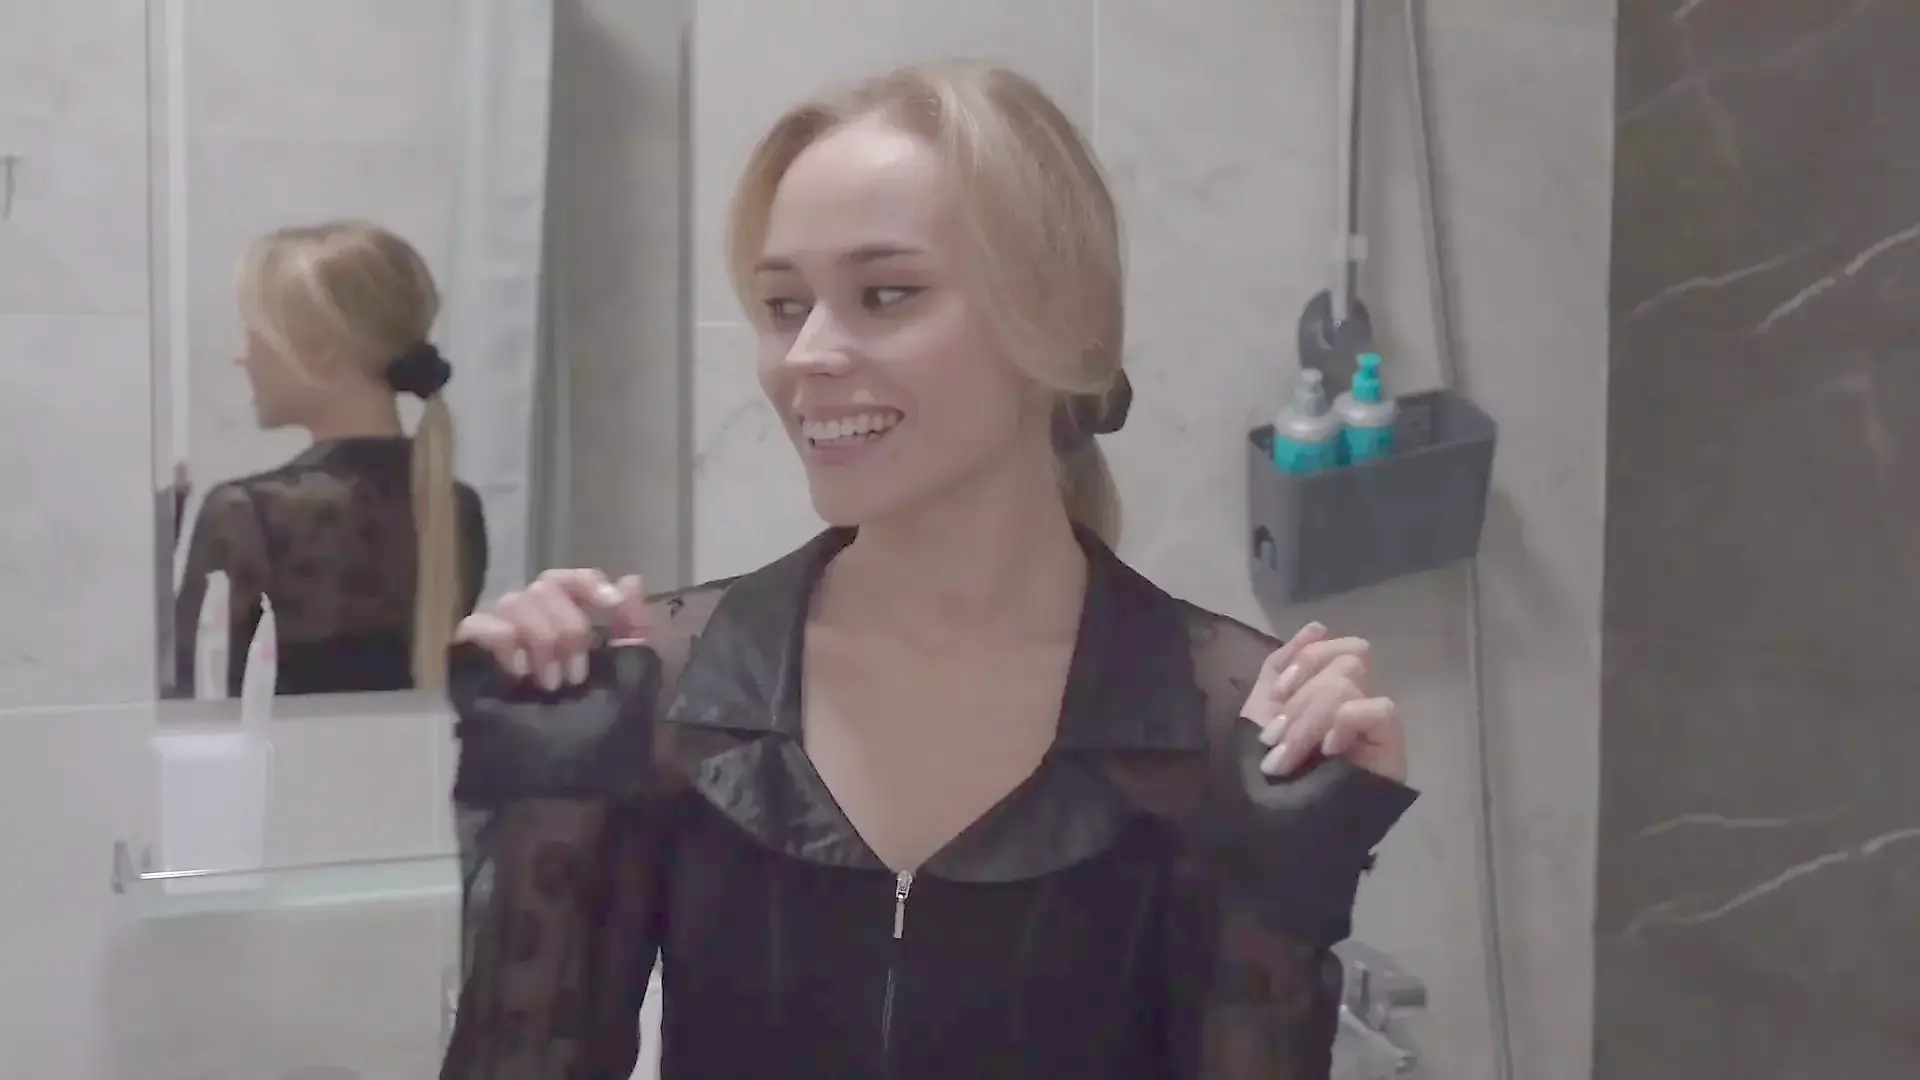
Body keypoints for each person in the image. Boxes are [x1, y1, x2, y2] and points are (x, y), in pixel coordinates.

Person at [440, 62, 1415, 1079]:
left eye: (885, 294)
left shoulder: (1220, 724)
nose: (808, 354)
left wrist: (1291, 885)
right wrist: (546, 796)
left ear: (1060, 319)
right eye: (783, 305)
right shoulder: (676, 692)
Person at [172, 221, 487, 696]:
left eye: (255, 335)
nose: (242, 357)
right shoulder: (456, 508)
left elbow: (195, 702)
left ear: (322, 353)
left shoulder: (249, 515)